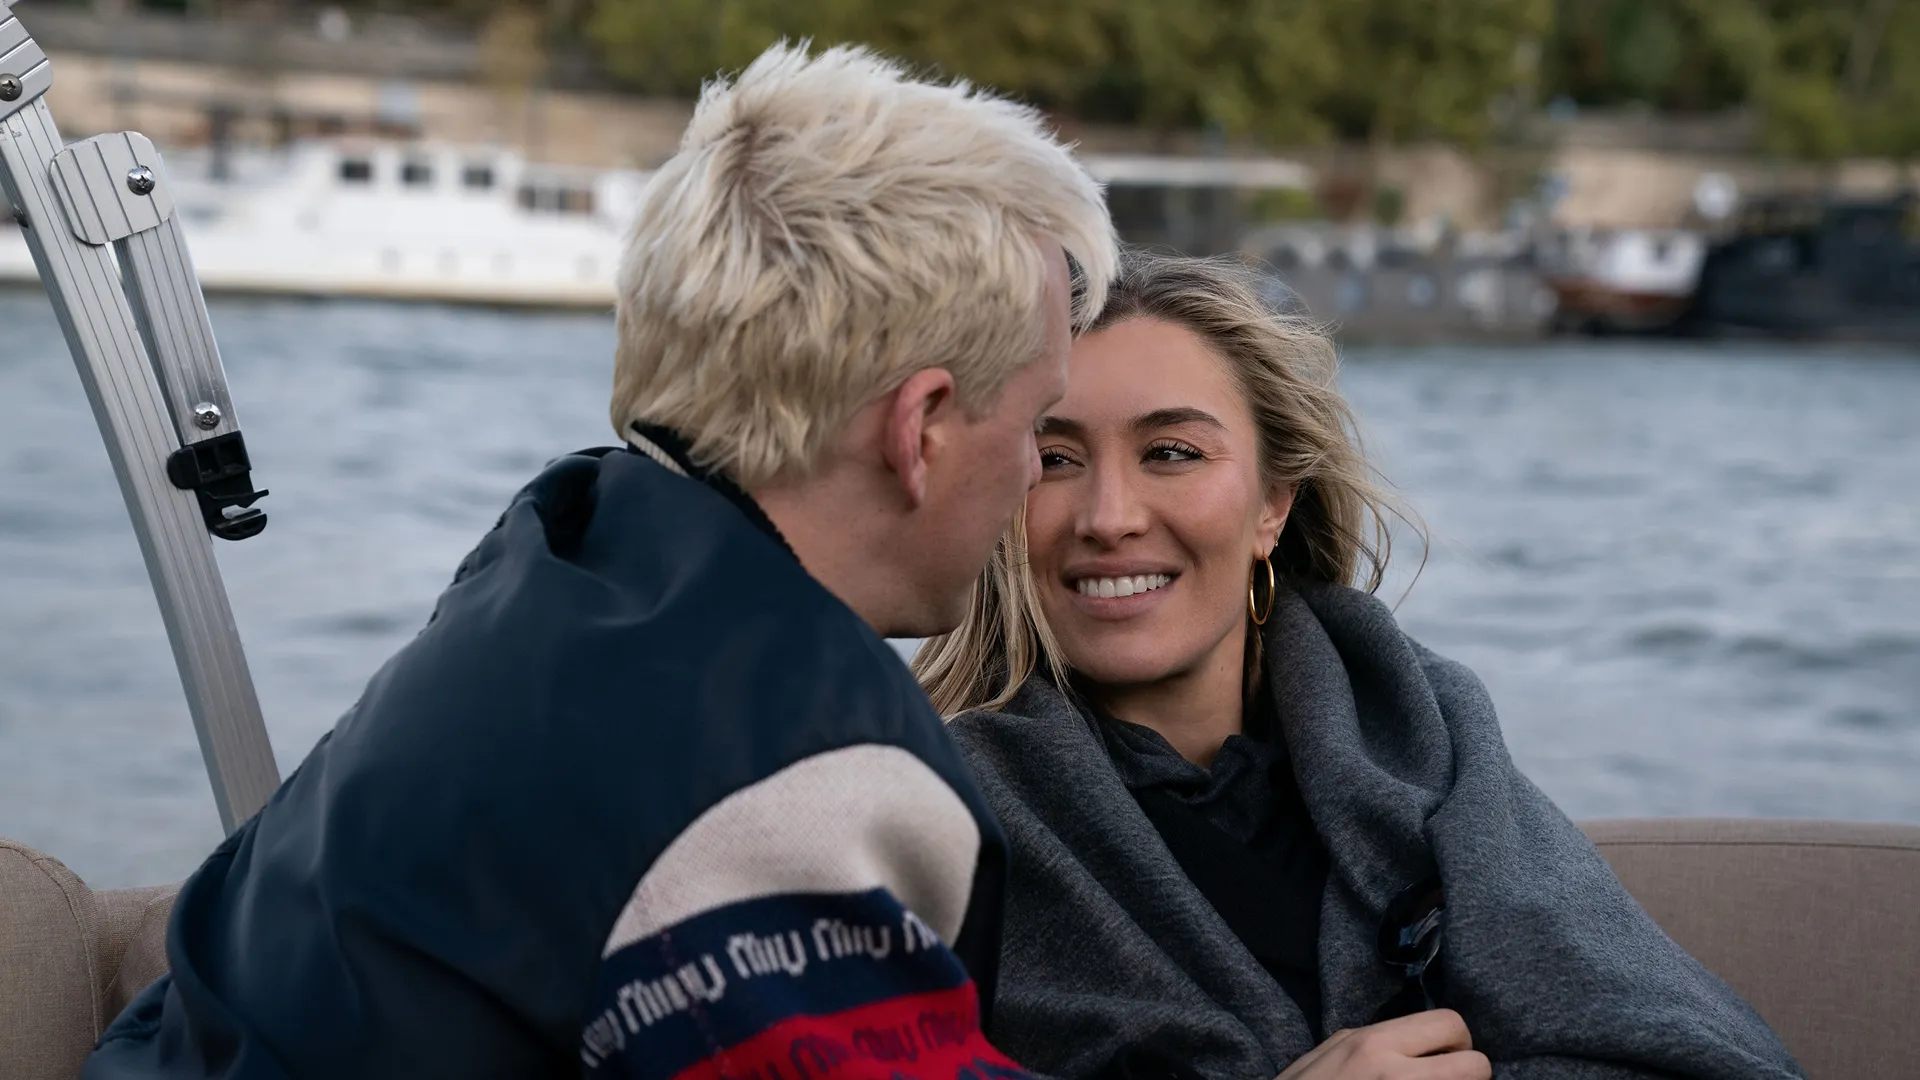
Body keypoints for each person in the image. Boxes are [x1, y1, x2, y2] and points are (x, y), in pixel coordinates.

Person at [85, 42, 1118, 1079]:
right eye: (1037, 423)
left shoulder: (553, 559)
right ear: (923, 426)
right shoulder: (782, 768)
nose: (1035, 472)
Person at [913, 250, 1804, 1080]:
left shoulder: (1430, 738)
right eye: (1057, 459)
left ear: (1273, 503)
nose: (1108, 516)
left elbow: (1695, 1052)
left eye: (1172, 452)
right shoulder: (933, 826)